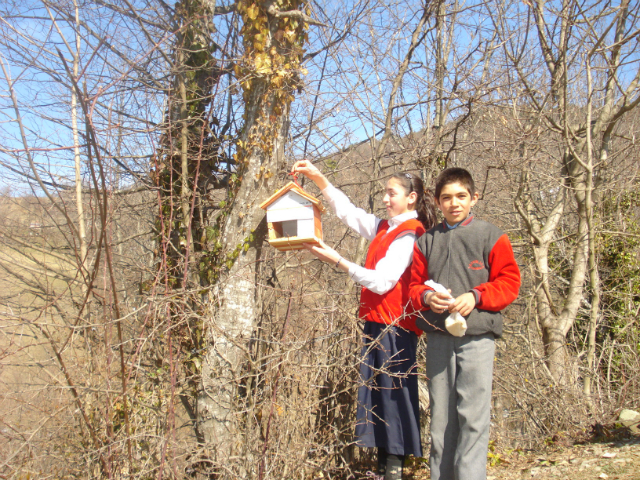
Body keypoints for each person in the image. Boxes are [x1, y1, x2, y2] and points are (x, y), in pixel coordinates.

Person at [290, 160, 437, 480]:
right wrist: (319, 179)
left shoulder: (410, 234)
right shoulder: (386, 227)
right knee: (379, 394)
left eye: (391, 193)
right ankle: (386, 469)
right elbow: (348, 213)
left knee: (393, 394)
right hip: (378, 322)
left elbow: (383, 282)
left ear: (411, 198)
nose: (385, 198)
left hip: (396, 327)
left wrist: (338, 260)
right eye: (385, 193)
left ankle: (394, 470)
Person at [408, 167, 521, 480]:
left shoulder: (490, 235)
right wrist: (427, 297)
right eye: (446, 198)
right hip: (438, 340)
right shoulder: (426, 241)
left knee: (473, 418)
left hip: (477, 338)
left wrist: (476, 296)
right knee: (441, 420)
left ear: (474, 197)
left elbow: (510, 282)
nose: (454, 203)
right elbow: (414, 287)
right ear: (437, 201)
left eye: (461, 196)